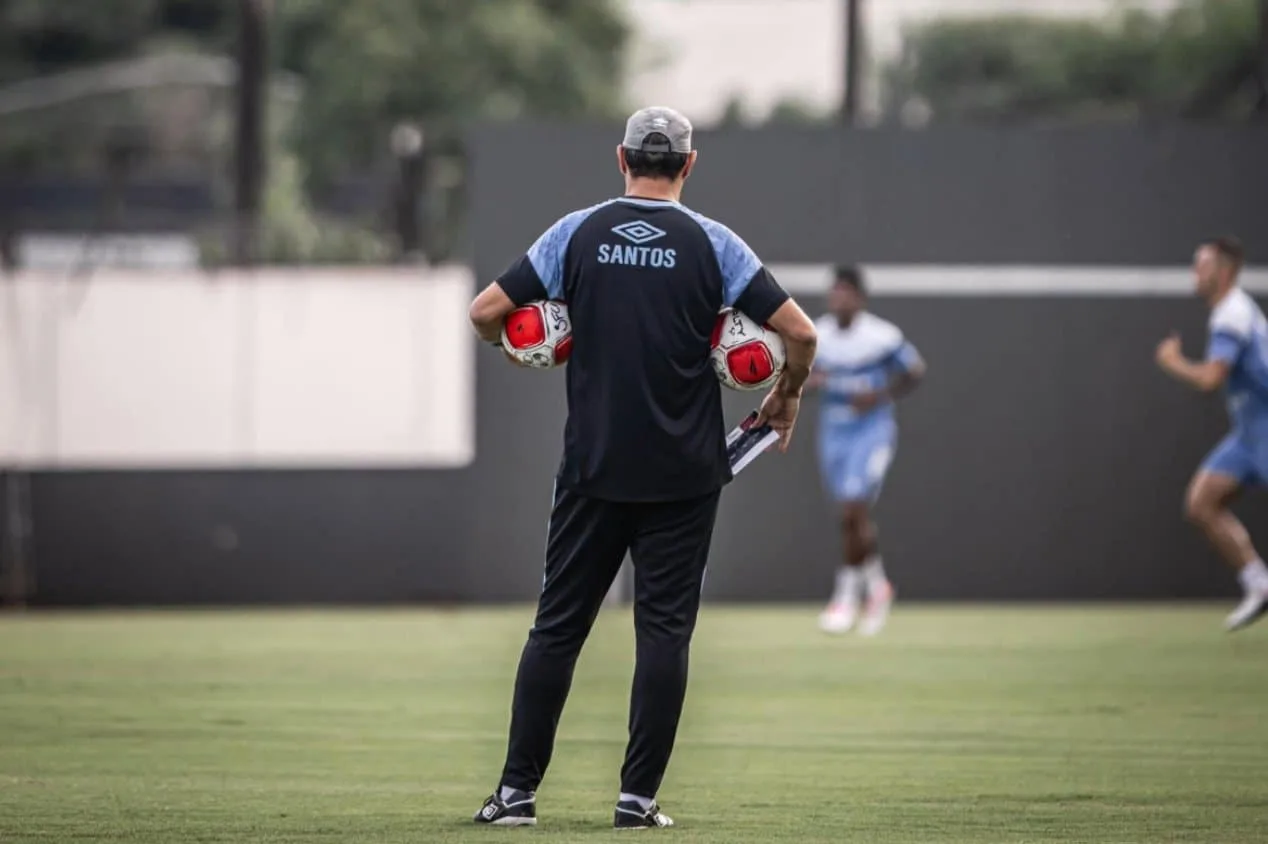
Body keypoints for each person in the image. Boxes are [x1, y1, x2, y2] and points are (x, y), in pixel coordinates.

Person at [466, 106, 818, 829]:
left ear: (620, 158)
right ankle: (636, 801)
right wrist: (784, 398)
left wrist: (522, 346)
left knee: (557, 630)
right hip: (684, 477)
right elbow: (801, 334)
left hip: (592, 468)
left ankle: (515, 797)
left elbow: (484, 312)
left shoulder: (576, 232)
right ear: (689, 166)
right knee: (663, 634)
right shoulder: (716, 245)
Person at [1156, 235, 1268, 632]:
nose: (1195, 273)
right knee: (1201, 502)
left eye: (1202, 266)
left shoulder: (1232, 315)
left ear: (1225, 272)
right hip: (1249, 435)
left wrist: (1173, 362)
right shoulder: (1227, 311)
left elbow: (1210, 379)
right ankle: (1258, 584)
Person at [810, 265, 925, 636]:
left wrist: (880, 395)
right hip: (834, 430)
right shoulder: (817, 334)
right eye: (835, 292)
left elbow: (914, 370)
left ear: (859, 298)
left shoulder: (881, 336)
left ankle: (845, 597)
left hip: (871, 431)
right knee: (850, 516)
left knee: (853, 506)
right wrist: (817, 380)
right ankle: (878, 587)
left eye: (846, 292)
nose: (838, 299)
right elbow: (799, 377)